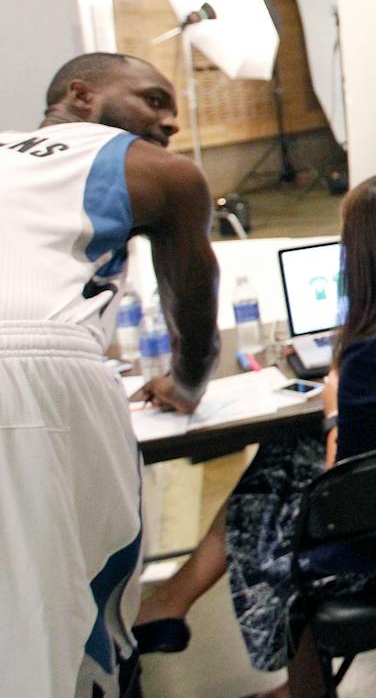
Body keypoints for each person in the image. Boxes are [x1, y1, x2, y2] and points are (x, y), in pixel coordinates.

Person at [132, 173, 376, 698]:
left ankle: (298, 685)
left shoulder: (372, 353)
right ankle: (173, 601)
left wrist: (336, 408)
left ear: (357, 257)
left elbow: (351, 493)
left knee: (267, 518)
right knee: (280, 457)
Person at [0, 52, 220, 698]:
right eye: (154, 99)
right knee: (87, 610)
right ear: (81, 94)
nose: (169, 123)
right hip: (49, 367)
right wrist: (185, 384)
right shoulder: (160, 173)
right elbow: (193, 303)